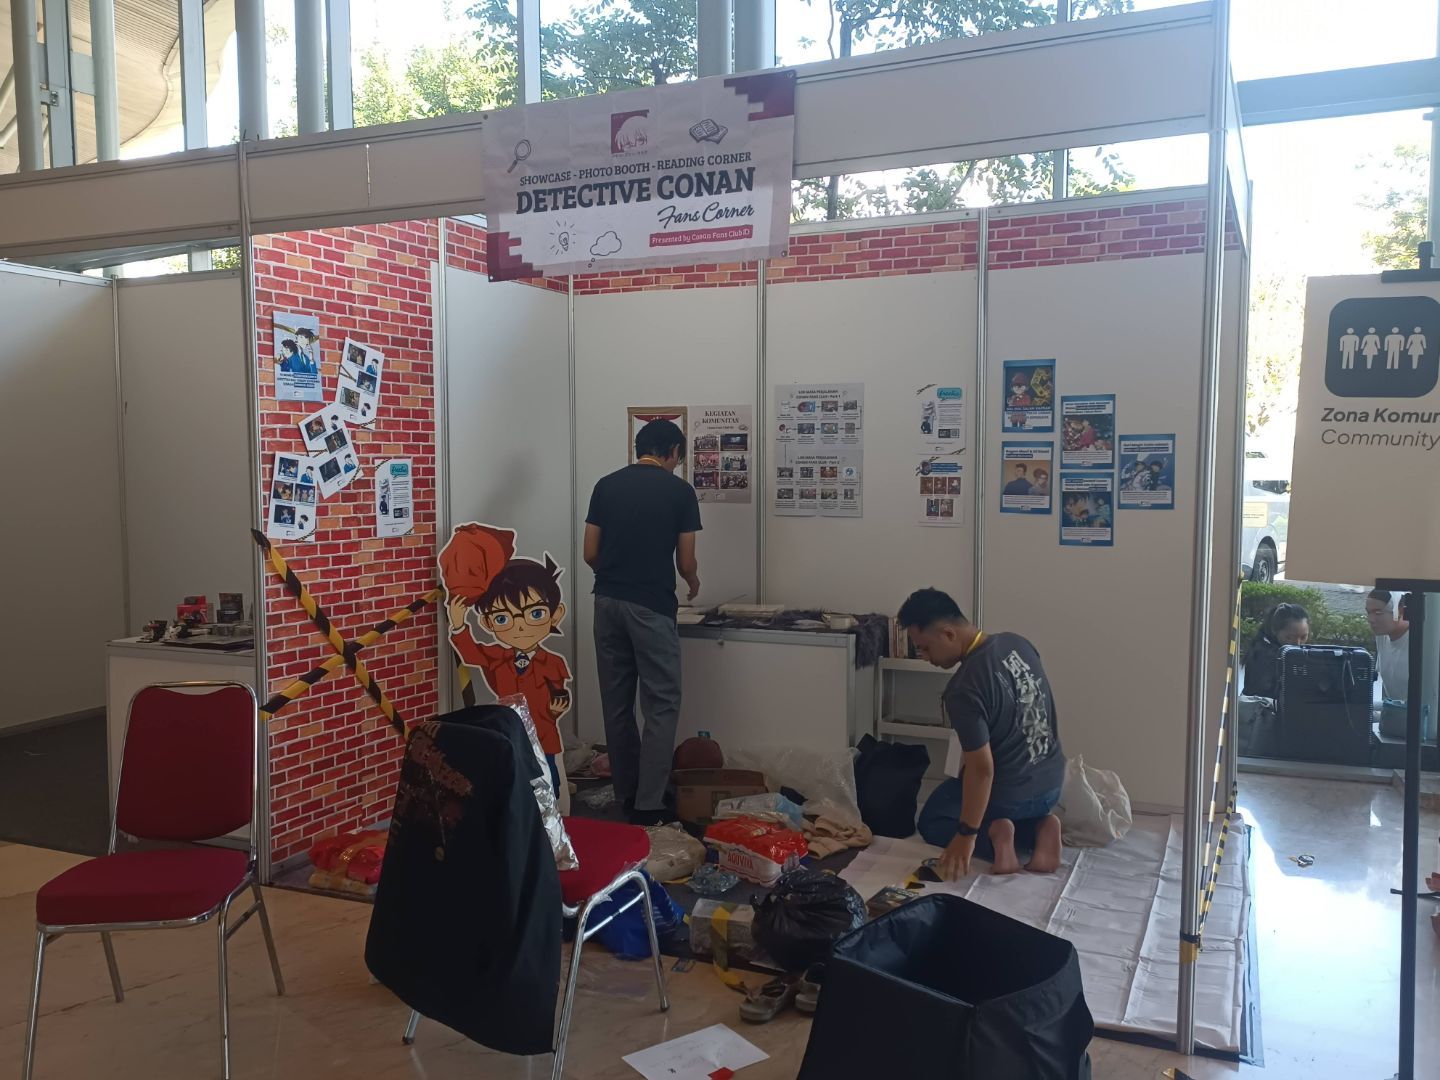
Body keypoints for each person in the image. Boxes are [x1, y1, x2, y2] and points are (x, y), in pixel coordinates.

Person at [899, 588, 1065, 879]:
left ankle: (997, 836)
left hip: (1009, 795)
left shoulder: (962, 689)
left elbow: (982, 769)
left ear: (948, 634)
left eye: (924, 648)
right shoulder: (1018, 643)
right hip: (1052, 785)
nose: (924, 657)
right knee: (968, 788)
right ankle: (1040, 827)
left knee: (933, 818)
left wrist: (967, 834)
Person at [585, 419, 702, 826]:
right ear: (673, 451)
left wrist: (616, 576)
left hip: (606, 602)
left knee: (616, 704)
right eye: (678, 457)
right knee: (661, 704)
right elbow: (685, 560)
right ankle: (649, 803)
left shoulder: (606, 486)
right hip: (651, 607)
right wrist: (693, 581)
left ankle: (626, 793)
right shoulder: (680, 492)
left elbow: (589, 552)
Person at [1241, 603, 1310, 698]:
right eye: (1289, 637)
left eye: (1303, 637)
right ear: (1275, 631)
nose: (1297, 644)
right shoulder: (1263, 656)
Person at [1366, 589, 1410, 702]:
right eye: (1368, 612)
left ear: (1400, 611)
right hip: (1393, 710)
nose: (1370, 619)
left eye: (1378, 612)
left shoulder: (1422, 642)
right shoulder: (1382, 636)